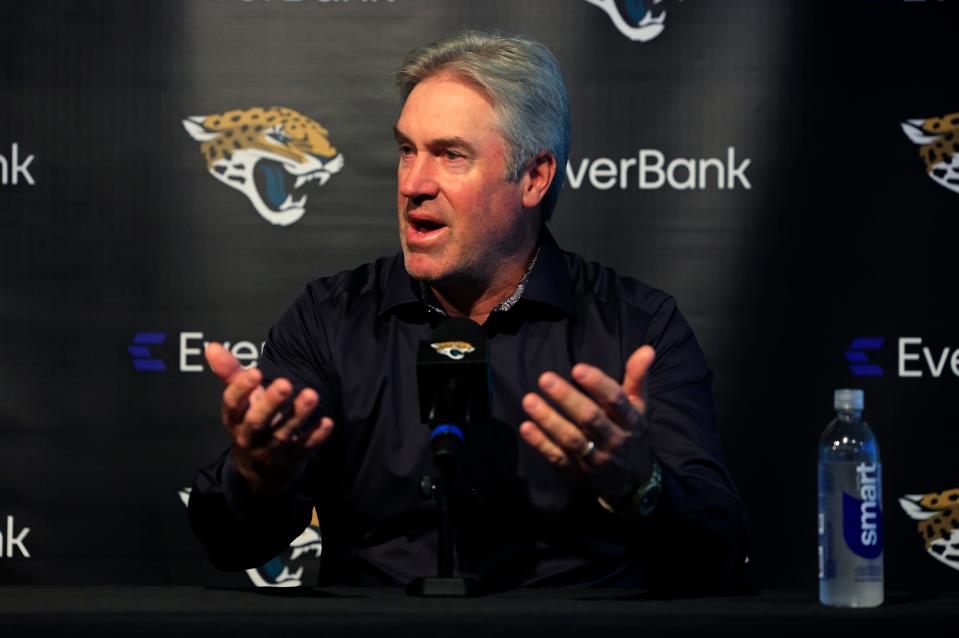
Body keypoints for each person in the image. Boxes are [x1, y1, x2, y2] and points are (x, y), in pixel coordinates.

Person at [189, 30, 748, 591]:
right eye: (407, 150)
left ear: (534, 177)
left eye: (450, 155)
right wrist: (255, 477)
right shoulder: (330, 320)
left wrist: (638, 485)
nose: (413, 184)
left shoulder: (635, 327)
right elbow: (231, 542)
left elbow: (718, 551)